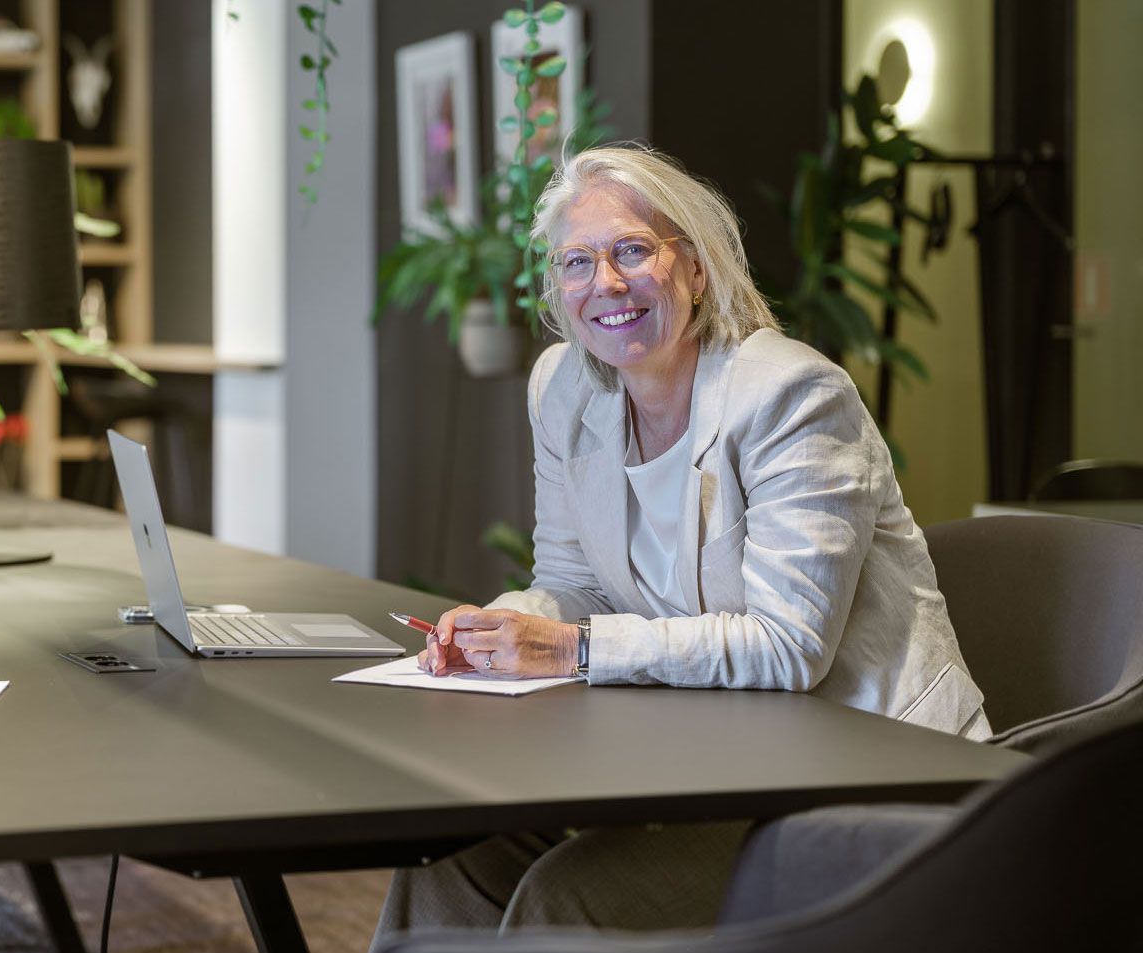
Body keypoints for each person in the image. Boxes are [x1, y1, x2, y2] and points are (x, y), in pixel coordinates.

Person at [376, 145, 989, 938]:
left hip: (870, 780)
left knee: (573, 897)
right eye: (577, 261)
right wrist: (503, 626)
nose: (607, 283)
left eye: (632, 249)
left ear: (694, 269)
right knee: (452, 860)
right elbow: (570, 577)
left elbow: (788, 646)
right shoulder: (562, 388)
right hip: (715, 764)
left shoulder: (791, 395)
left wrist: (570, 648)